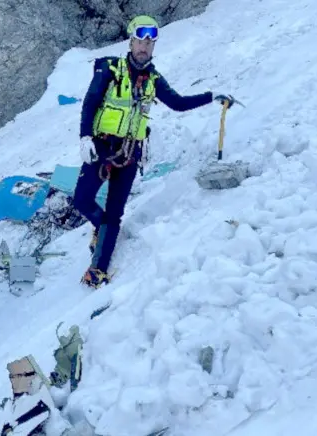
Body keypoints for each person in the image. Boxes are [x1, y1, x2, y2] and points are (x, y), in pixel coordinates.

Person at [75, 14, 237, 288]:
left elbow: (177, 103)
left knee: (115, 214)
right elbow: (91, 102)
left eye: (150, 43)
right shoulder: (110, 69)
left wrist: (211, 96)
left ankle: (98, 269)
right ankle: (101, 230)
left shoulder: (153, 79)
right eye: (140, 40)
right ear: (131, 41)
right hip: (102, 146)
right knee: (81, 199)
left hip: (130, 153)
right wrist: (85, 137)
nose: (145, 47)